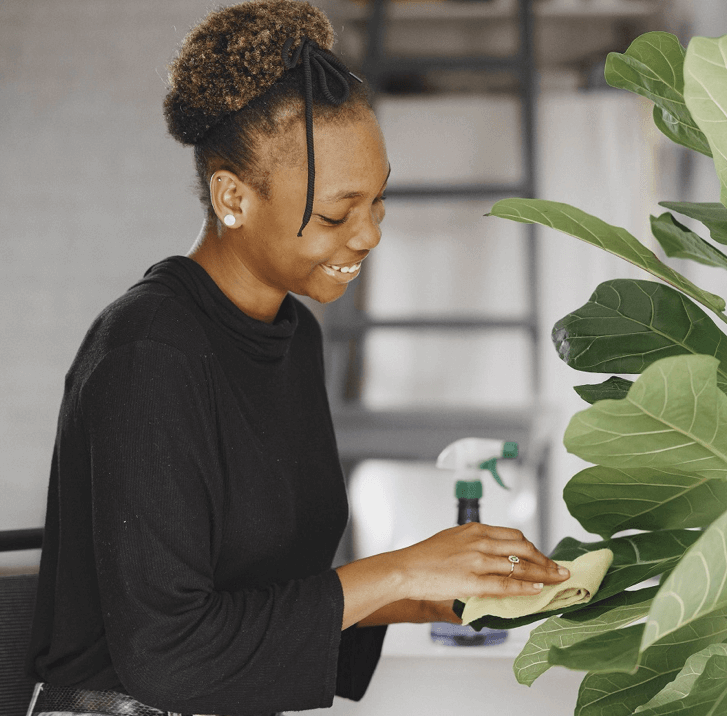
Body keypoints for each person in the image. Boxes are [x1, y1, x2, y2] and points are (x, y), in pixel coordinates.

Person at [25, 1, 569, 714]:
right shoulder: (148, 356)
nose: (370, 235)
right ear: (233, 198)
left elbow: (267, 601)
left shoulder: (293, 335)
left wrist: (432, 597)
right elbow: (169, 655)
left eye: (378, 201)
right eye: (337, 214)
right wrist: (401, 572)